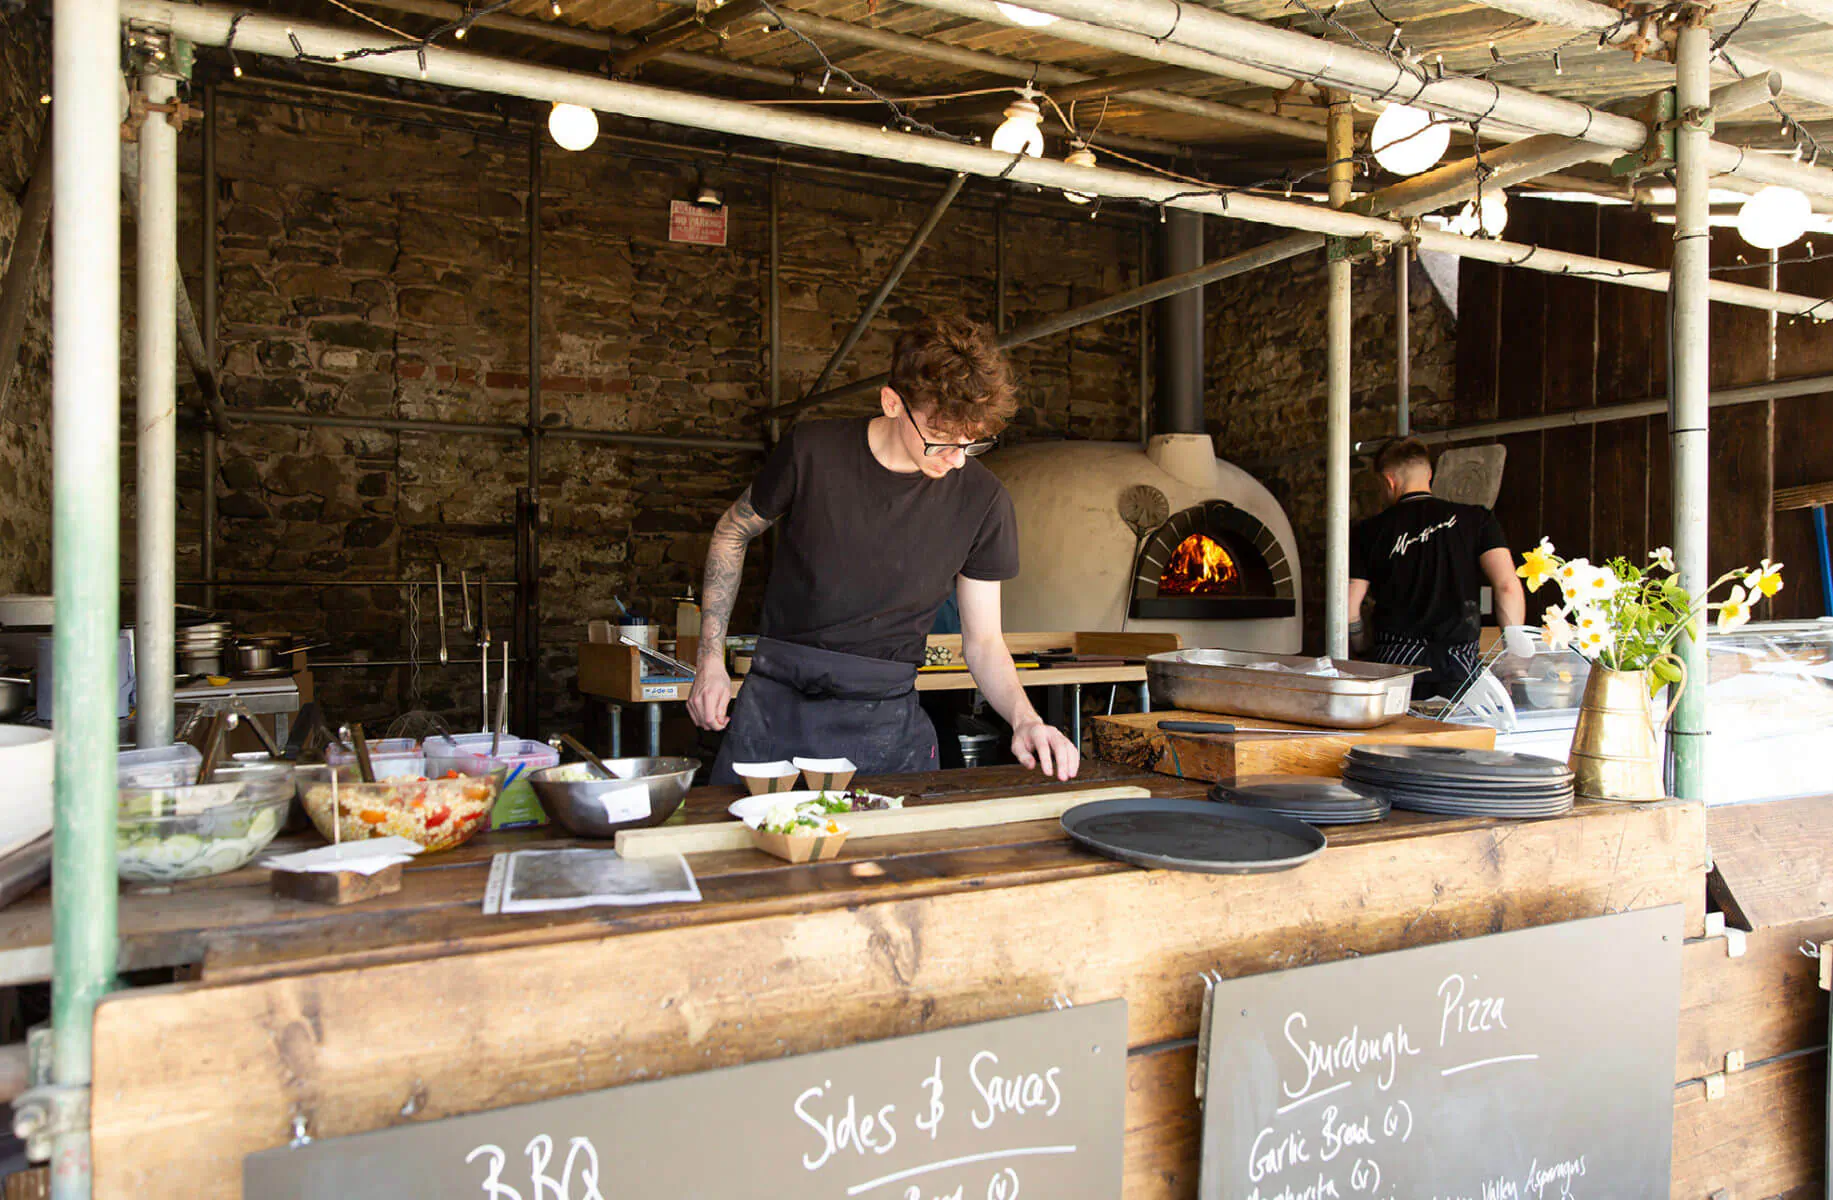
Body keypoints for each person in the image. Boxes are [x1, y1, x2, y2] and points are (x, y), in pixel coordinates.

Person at [686, 314, 1080, 785]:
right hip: (774, 709)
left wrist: (1026, 719)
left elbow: (984, 643)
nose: (956, 460)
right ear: (892, 403)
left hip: (885, 727)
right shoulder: (811, 453)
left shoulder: (984, 500)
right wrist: (709, 661)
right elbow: (732, 532)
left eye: (970, 444)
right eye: (940, 440)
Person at [1347, 438, 1533, 697]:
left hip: (1395, 667)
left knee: (1396, 736)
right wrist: (1514, 655)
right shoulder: (1477, 519)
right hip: (1458, 664)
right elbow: (1507, 586)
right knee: (1457, 732)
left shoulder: (1368, 531)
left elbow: (1349, 607)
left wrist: (1362, 647)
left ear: (1388, 481)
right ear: (1430, 475)